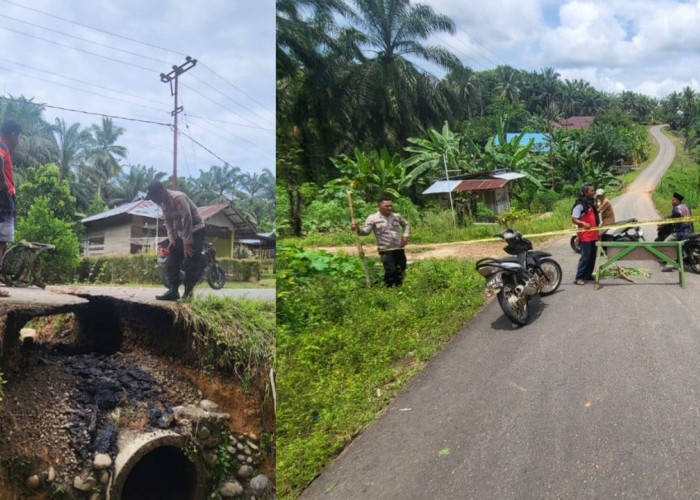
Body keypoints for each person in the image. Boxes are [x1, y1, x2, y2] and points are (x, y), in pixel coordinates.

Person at [145, 181, 206, 301]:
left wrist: (186, 243)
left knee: (190, 260)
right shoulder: (163, 203)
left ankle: (188, 293)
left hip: (195, 230)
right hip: (180, 233)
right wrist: (172, 239)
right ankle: (173, 291)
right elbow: (168, 221)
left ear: (161, 192)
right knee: (172, 260)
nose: (153, 201)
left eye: (154, 198)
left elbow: (187, 218)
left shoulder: (178, 198)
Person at [351, 197, 410, 287]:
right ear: (379, 206)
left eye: (391, 206)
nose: (390, 208)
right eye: (387, 206)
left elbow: (406, 225)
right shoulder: (373, 218)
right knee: (391, 270)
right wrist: (357, 229)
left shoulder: (396, 216)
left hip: (398, 247)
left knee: (401, 267)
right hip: (385, 249)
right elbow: (365, 232)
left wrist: (405, 235)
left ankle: (399, 287)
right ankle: (389, 288)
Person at [0, 119, 22, 298]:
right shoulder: (3, 147)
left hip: (4, 201)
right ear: (12, 135)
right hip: (2, 202)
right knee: (1, 242)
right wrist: (4, 187)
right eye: (18, 137)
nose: (19, 141)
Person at [571, 182, 599, 285]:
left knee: (593, 256)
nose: (593, 192)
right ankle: (579, 277)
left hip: (594, 235)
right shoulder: (580, 204)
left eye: (593, 190)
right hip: (585, 236)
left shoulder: (591, 202)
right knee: (585, 257)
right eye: (591, 191)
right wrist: (583, 223)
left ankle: (588, 275)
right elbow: (574, 219)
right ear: (585, 192)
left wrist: (598, 231)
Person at [660, 192, 694, 272]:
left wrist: (662, 224)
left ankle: (670, 263)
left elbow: (671, 219)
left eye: (673, 200)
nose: (672, 201)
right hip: (690, 231)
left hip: (681, 232)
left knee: (666, 243)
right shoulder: (687, 206)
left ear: (677, 201)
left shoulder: (676, 209)